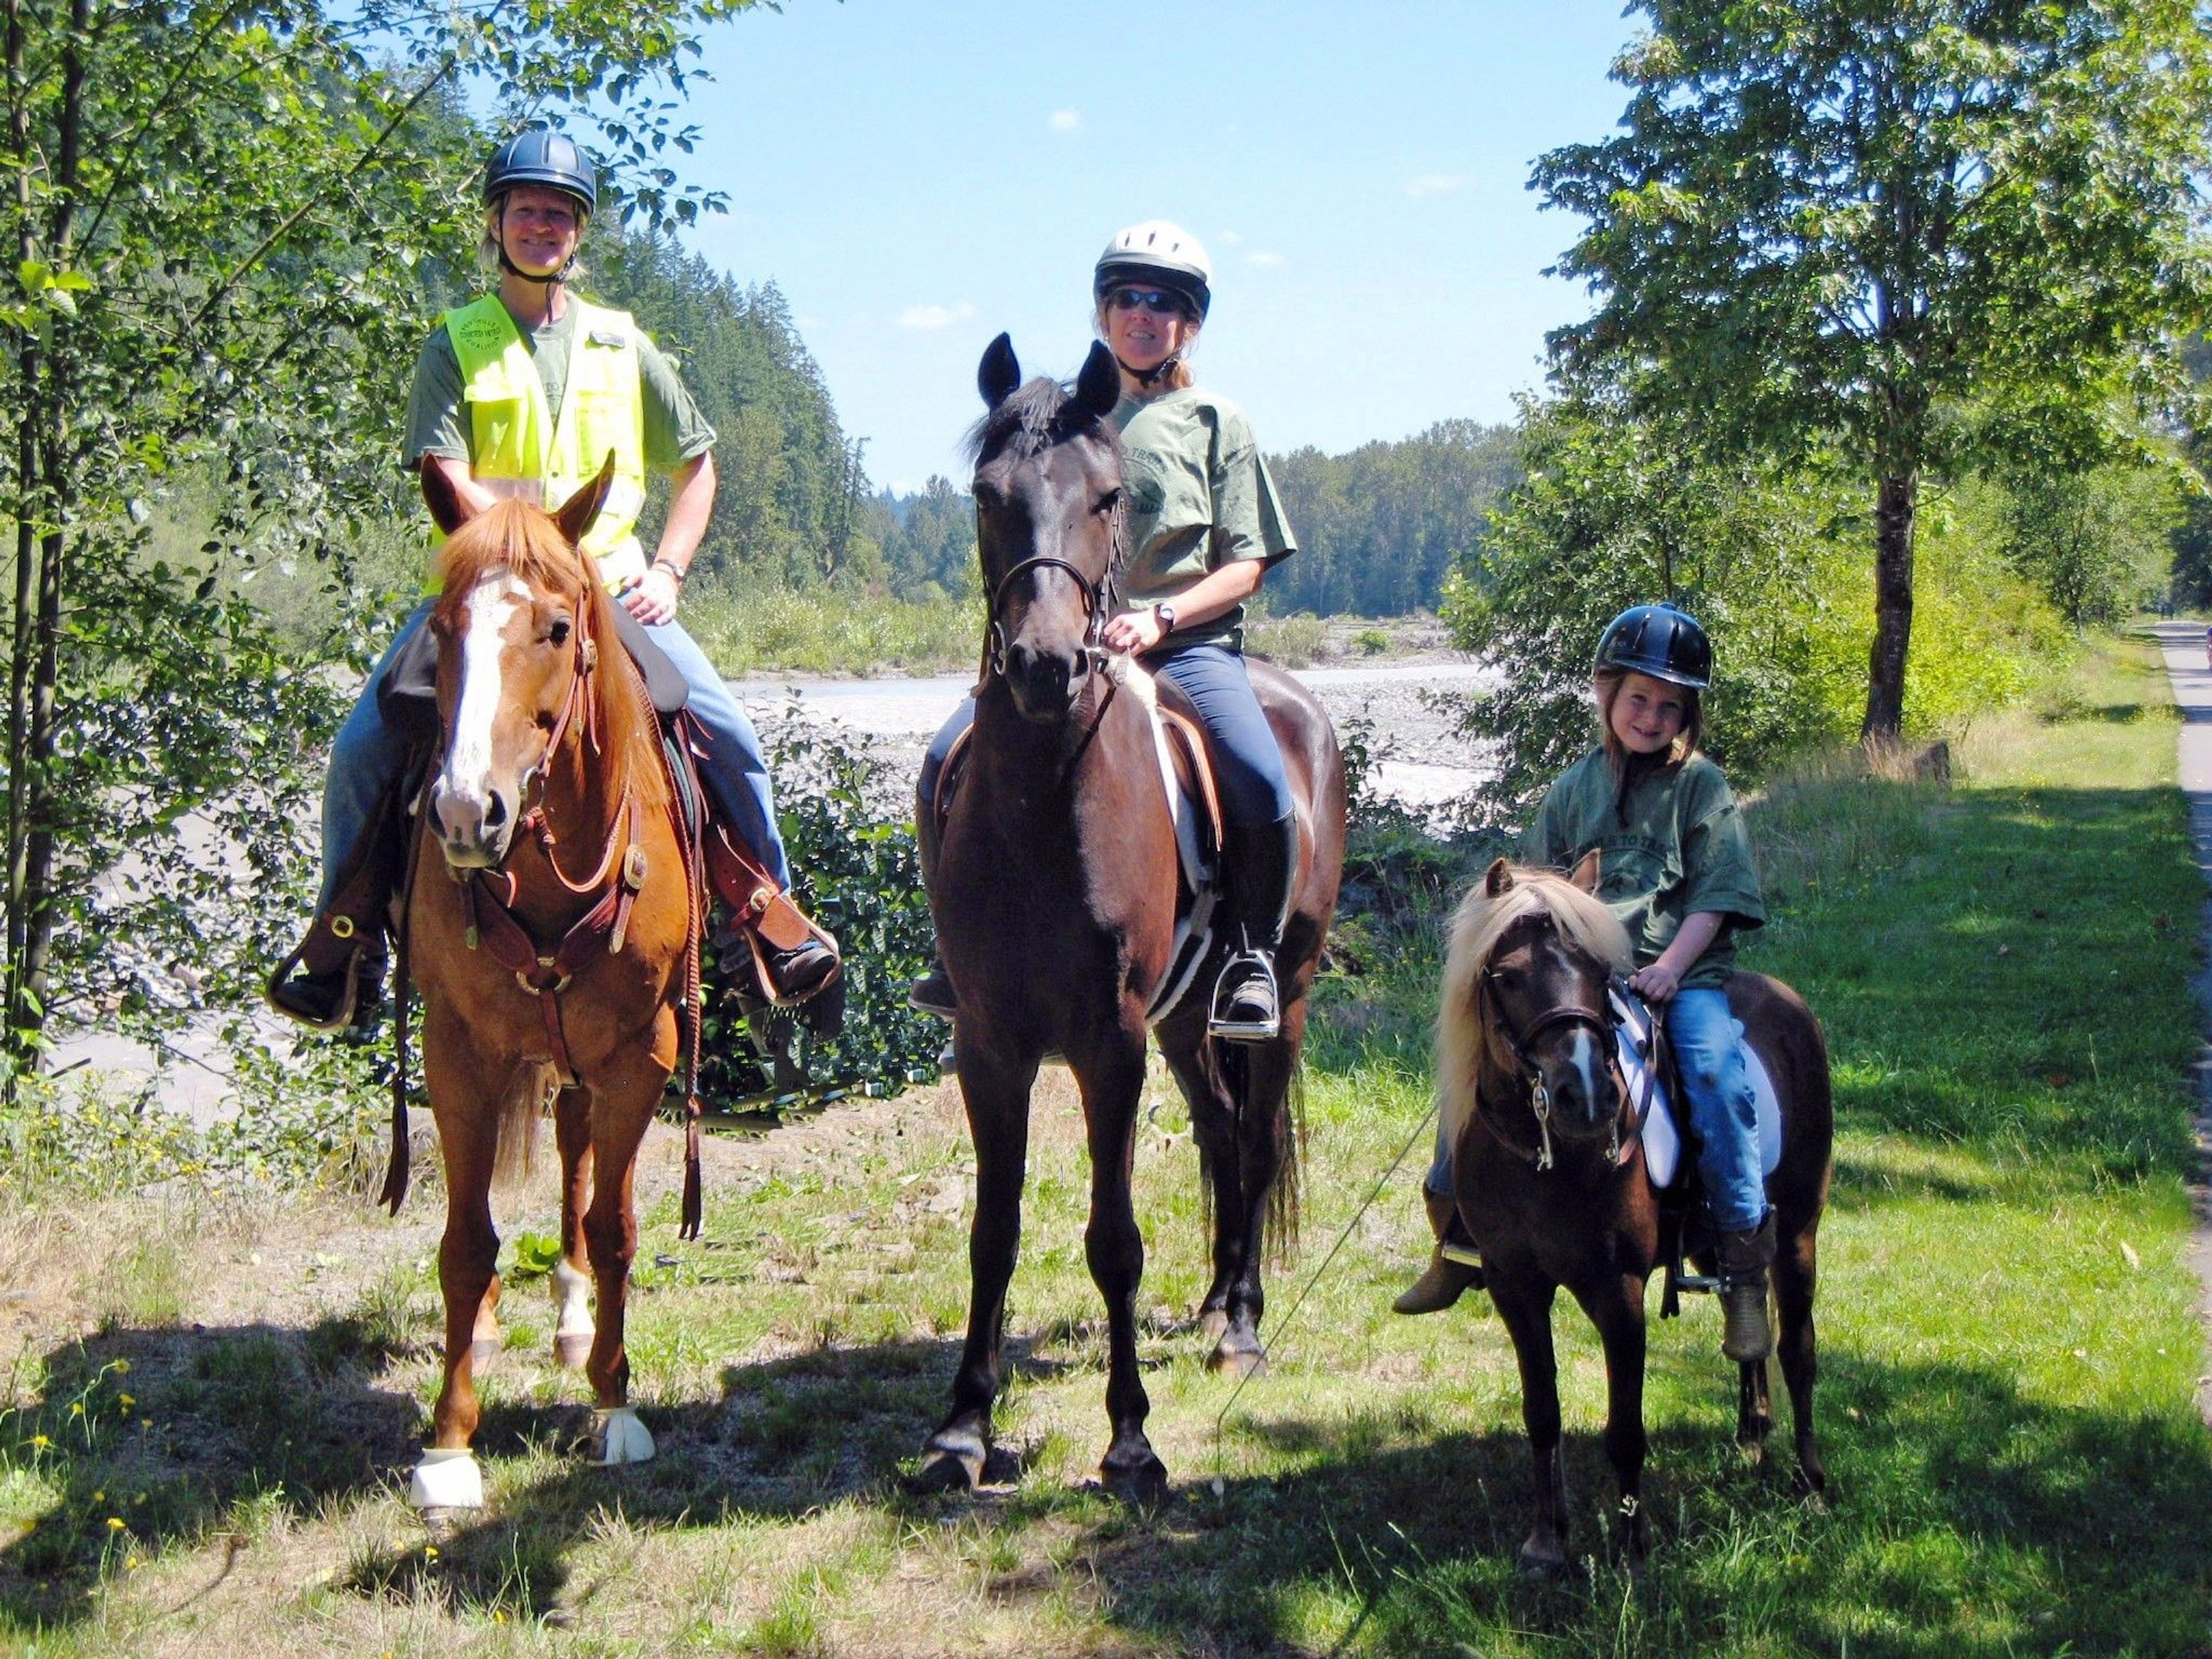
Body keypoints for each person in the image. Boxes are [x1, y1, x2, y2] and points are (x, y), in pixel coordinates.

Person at [268, 128, 838, 1034]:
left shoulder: (624, 344)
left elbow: (700, 468)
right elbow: (444, 471)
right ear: (496, 224)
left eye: (559, 213)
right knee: (363, 745)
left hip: (606, 587)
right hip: (489, 591)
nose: (542, 224)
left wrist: (670, 571)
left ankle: (769, 922)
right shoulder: (456, 342)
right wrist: (515, 547)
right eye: (526, 209)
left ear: (578, 234)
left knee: (729, 734)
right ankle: (346, 943)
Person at [908, 219, 1301, 1040]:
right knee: (946, 758)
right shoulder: (1070, 418)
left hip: (1187, 646)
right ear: (1103, 312)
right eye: (1127, 299)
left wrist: (1160, 616)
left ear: (1189, 324)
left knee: (1261, 779)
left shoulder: (1213, 420)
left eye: (1165, 304)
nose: (1143, 315)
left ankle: (1249, 956)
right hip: (1075, 644)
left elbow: (1248, 562)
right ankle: (958, 954)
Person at [1395, 602, 1776, 1365]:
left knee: (1714, 1074)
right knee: (1478, 1074)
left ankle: (1741, 1264)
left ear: (1687, 715)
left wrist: (1669, 968)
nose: (1652, 716)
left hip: (1678, 975)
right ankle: (1460, 1238)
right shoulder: (1572, 790)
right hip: (1584, 978)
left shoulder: (1702, 789)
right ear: (1607, 695)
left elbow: (1718, 895)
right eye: (1639, 699)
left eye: (1671, 706)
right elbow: (1538, 893)